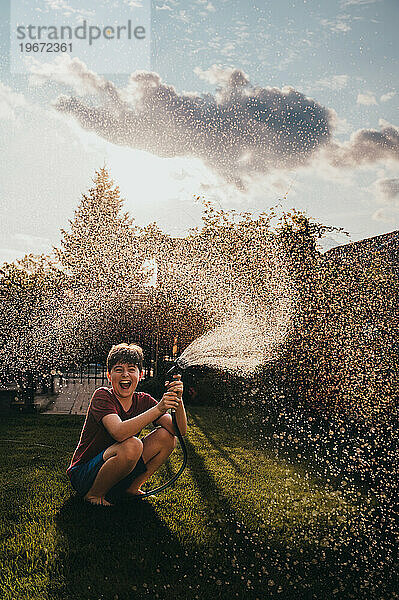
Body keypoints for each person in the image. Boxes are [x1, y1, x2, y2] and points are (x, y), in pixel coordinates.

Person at [66, 343, 187, 506]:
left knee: (167, 438)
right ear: (109, 375)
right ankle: (94, 495)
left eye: (131, 369)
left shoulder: (143, 400)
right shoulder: (102, 396)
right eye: (118, 369)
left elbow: (179, 431)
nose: (125, 375)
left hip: (118, 469)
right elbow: (119, 432)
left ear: (140, 374)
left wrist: (178, 399)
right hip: (84, 474)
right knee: (132, 445)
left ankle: (132, 488)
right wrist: (159, 408)